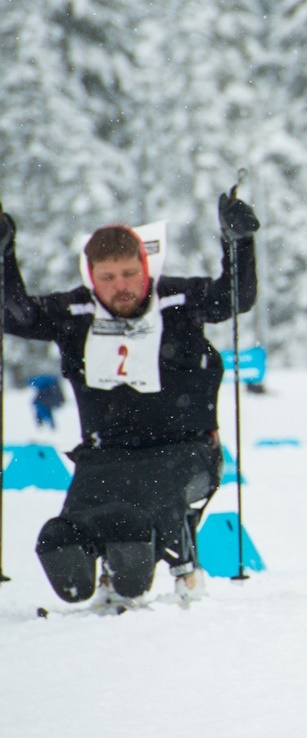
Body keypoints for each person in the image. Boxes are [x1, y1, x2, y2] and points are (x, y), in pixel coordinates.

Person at [0, 192, 259, 608]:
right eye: (108, 277)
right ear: (91, 277)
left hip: (185, 449)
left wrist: (238, 242)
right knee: (67, 531)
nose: (121, 286)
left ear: (145, 267)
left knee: (145, 508)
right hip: (105, 454)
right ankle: (81, 564)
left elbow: (235, 297)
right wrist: (4, 254)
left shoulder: (178, 300)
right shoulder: (76, 311)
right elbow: (15, 315)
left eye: (128, 273)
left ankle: (138, 562)